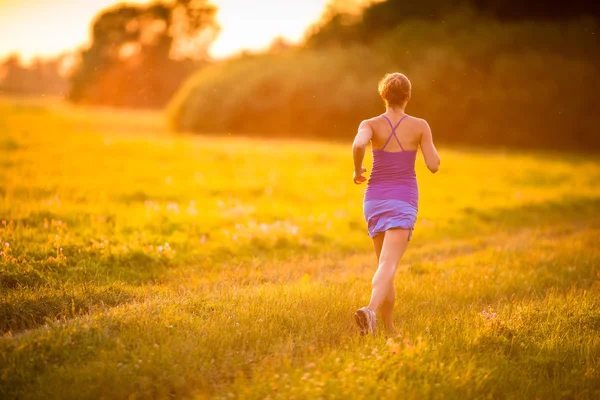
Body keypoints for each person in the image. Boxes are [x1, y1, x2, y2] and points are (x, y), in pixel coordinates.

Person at [352, 72, 440, 336]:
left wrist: (358, 171)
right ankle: (370, 311)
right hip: (403, 200)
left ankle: (388, 327)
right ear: (408, 96)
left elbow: (358, 144)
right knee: (389, 265)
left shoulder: (370, 123)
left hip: (374, 199)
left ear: (383, 96)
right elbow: (433, 166)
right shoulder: (420, 125)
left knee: (384, 265)